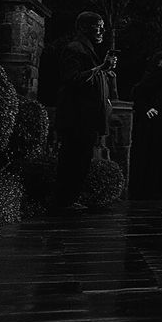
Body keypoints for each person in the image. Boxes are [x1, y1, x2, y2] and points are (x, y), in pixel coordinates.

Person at [47, 12, 113, 213]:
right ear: (84, 27)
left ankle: (69, 200)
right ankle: (63, 202)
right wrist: (100, 68)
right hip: (77, 117)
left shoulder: (86, 49)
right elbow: (72, 79)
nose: (101, 31)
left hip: (86, 118)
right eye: (98, 26)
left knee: (81, 160)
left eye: (102, 27)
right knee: (72, 160)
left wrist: (103, 70)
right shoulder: (75, 48)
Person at [129, 51, 162, 202]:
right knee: (153, 155)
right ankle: (152, 189)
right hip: (152, 124)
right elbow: (139, 95)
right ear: (157, 63)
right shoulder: (150, 78)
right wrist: (147, 108)